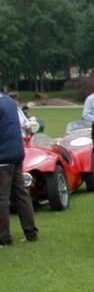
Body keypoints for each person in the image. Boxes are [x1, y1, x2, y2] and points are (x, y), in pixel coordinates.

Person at [0, 90, 38, 246]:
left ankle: (3, 237)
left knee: (2, 197)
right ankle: (30, 232)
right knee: (21, 193)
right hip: (17, 152)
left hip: (3, 155)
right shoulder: (9, 101)